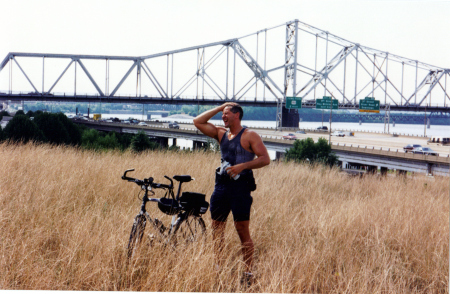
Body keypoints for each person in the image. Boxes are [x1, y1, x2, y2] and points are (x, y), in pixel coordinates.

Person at [193, 102, 270, 284]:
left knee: (241, 229)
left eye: (226, 113)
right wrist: (220, 107)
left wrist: (243, 166)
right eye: (222, 114)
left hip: (240, 188)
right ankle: (218, 268)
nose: (223, 116)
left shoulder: (250, 135)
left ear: (237, 115)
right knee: (217, 229)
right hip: (221, 187)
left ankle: (248, 273)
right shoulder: (221, 134)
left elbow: (265, 159)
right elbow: (197, 121)